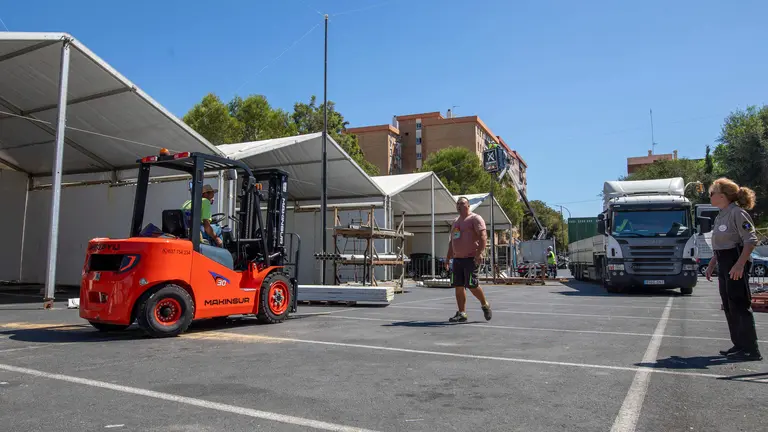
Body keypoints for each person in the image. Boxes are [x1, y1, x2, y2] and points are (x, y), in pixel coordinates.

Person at [706, 178, 762, 361]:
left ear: (722, 196)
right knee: (729, 305)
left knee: (739, 305)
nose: (710, 196)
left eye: (711, 193)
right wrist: (713, 263)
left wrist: (739, 264)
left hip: (735, 261)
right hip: (724, 261)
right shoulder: (721, 215)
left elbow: (751, 239)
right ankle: (739, 345)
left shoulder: (737, 213)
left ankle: (751, 349)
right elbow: (721, 244)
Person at [445, 196, 492, 322]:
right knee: (458, 286)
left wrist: (479, 253)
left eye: (462, 203)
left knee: (472, 285)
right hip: (457, 260)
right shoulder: (455, 222)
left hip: (471, 258)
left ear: (468, 205)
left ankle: (484, 304)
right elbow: (452, 242)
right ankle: (462, 313)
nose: (459, 206)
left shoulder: (475, 219)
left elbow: (483, 237)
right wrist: (448, 258)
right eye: (457, 204)